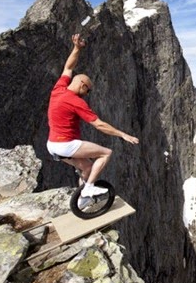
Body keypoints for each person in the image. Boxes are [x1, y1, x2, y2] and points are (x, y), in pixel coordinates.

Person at [47, 33, 139, 207]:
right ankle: (88, 188)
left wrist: (76, 48)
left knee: (87, 168)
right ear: (82, 85)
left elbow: (68, 67)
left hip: (52, 145)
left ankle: (81, 202)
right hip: (65, 144)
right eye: (88, 90)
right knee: (106, 153)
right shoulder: (75, 101)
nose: (88, 94)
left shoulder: (58, 89)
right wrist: (122, 135)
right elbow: (98, 124)